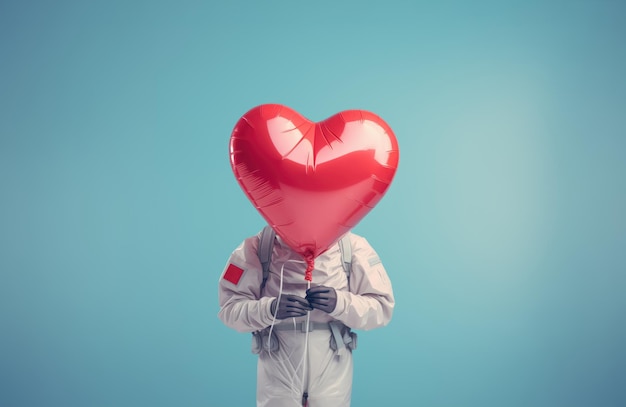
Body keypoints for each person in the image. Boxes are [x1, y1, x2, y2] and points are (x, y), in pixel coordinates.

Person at [218, 226, 394, 407]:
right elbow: (230, 309)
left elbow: (381, 308)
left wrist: (340, 303)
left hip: (332, 373)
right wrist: (269, 309)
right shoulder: (256, 248)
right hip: (278, 375)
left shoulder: (354, 248)